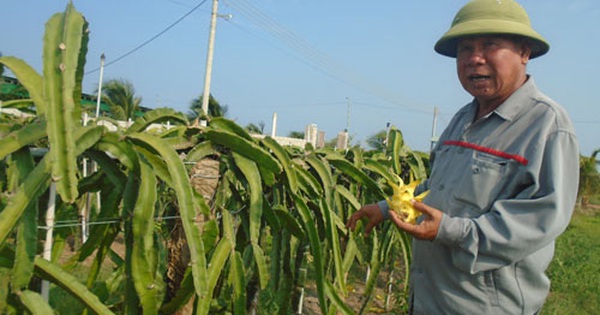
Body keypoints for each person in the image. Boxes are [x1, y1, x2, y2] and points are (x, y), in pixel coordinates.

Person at [346, 0, 579, 314]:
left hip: (483, 305)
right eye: (465, 48)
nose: (475, 59)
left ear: (524, 52)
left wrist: (448, 231)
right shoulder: (462, 119)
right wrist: (387, 208)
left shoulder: (547, 125)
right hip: (431, 299)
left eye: (490, 45)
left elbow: (539, 220)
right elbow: (438, 185)